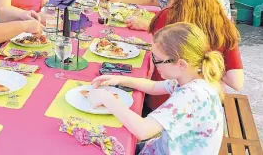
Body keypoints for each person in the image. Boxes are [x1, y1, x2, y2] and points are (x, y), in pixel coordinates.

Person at [89, 22, 224, 155]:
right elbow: (153, 86)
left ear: (181, 64)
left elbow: (143, 130)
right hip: (162, 147)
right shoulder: (190, 77)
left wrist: (106, 97)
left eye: (158, 60)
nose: (155, 64)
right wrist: (119, 79)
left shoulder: (192, 95)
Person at [145, 0, 243, 110]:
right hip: (203, 106)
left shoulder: (165, 16)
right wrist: (208, 66)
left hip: (162, 100)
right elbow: (236, 82)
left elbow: (153, 53)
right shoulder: (224, 26)